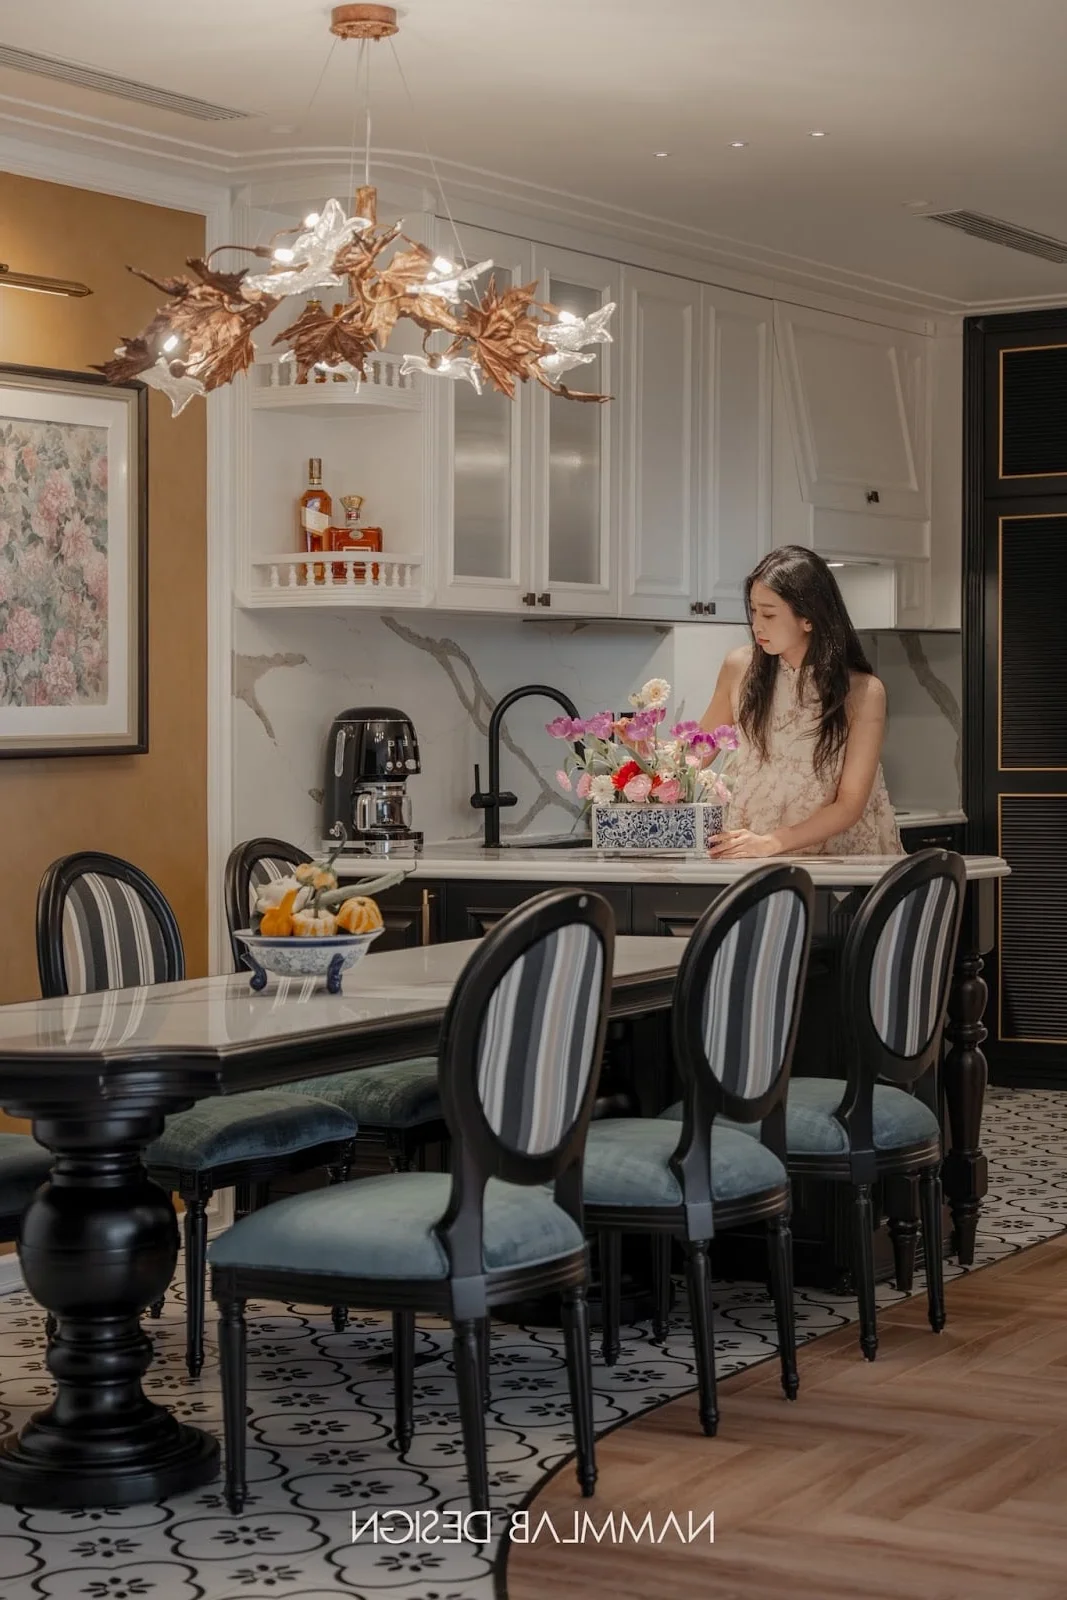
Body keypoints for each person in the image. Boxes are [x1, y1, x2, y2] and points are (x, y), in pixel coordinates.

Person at [701, 545, 902, 859]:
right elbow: (696, 754)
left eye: (769, 614)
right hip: (748, 851)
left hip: (837, 859)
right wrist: (643, 753)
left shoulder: (863, 692)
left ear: (808, 618)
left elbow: (850, 804)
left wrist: (773, 843)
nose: (756, 625)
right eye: (754, 611)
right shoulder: (739, 667)